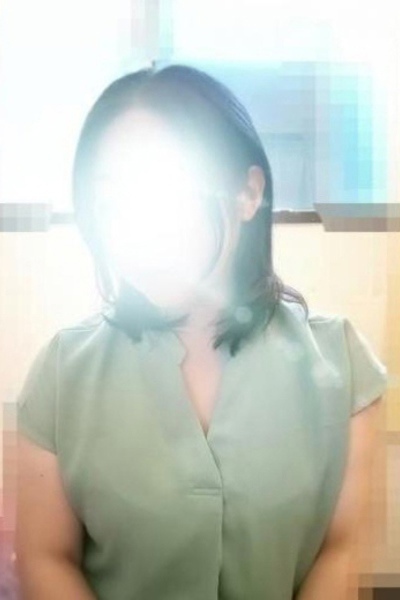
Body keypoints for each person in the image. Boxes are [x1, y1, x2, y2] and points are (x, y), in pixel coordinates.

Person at [15, 64, 388, 600]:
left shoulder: (344, 370)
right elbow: (46, 558)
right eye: (113, 201)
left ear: (248, 193)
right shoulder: (61, 374)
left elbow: (344, 550)